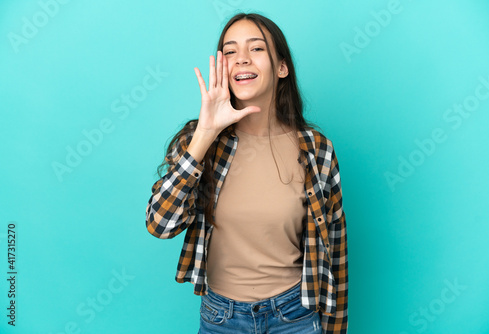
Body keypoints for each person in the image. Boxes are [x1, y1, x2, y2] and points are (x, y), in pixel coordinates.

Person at [145, 12, 348, 334]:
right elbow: (160, 224)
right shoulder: (199, 142)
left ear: (282, 67)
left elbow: (334, 245)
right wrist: (205, 133)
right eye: (230, 51)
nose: (241, 59)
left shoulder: (316, 149)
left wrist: (335, 329)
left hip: (295, 314)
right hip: (221, 317)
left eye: (256, 49)